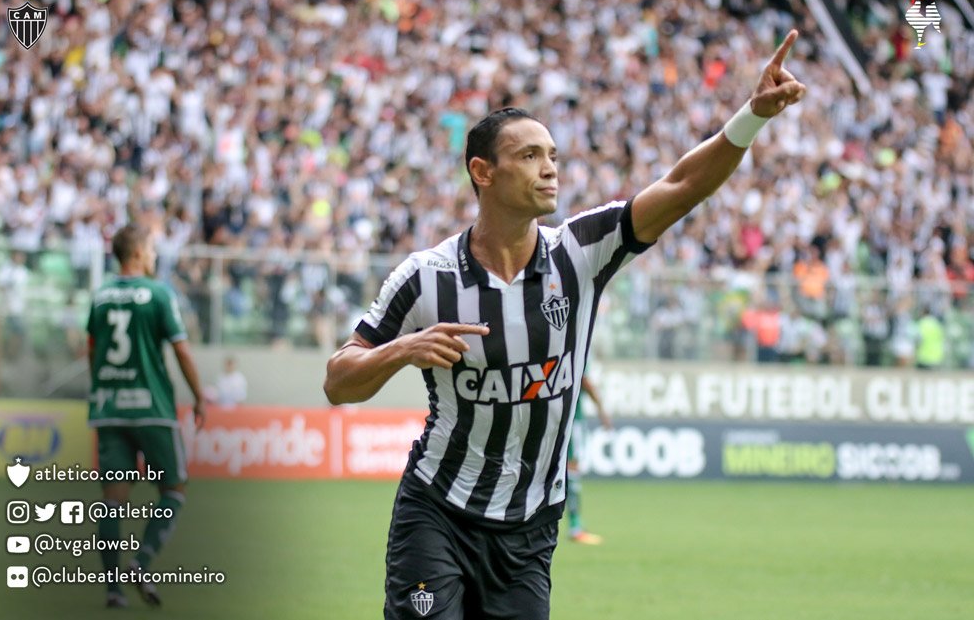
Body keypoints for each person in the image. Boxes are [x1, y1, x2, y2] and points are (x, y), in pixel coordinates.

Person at [324, 31, 806, 619]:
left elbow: (681, 187)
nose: (549, 168)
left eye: (552, 155)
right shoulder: (426, 278)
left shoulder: (581, 252)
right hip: (437, 513)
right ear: (482, 171)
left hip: (529, 531)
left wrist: (752, 117)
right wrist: (402, 350)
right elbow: (338, 380)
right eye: (529, 156)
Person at [86, 223, 207, 608]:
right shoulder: (158, 293)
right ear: (137, 253)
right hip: (152, 409)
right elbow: (181, 350)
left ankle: (113, 590)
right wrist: (199, 396)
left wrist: (103, 389)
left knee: (112, 500)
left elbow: (92, 348)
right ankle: (141, 562)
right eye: (151, 249)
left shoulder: (100, 295)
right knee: (173, 489)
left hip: (109, 409)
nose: (154, 255)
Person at [566, 372, 612, 545]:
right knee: (572, 468)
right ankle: (575, 525)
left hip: (553, 416)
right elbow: (585, 380)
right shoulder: (580, 353)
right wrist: (601, 410)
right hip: (571, 419)